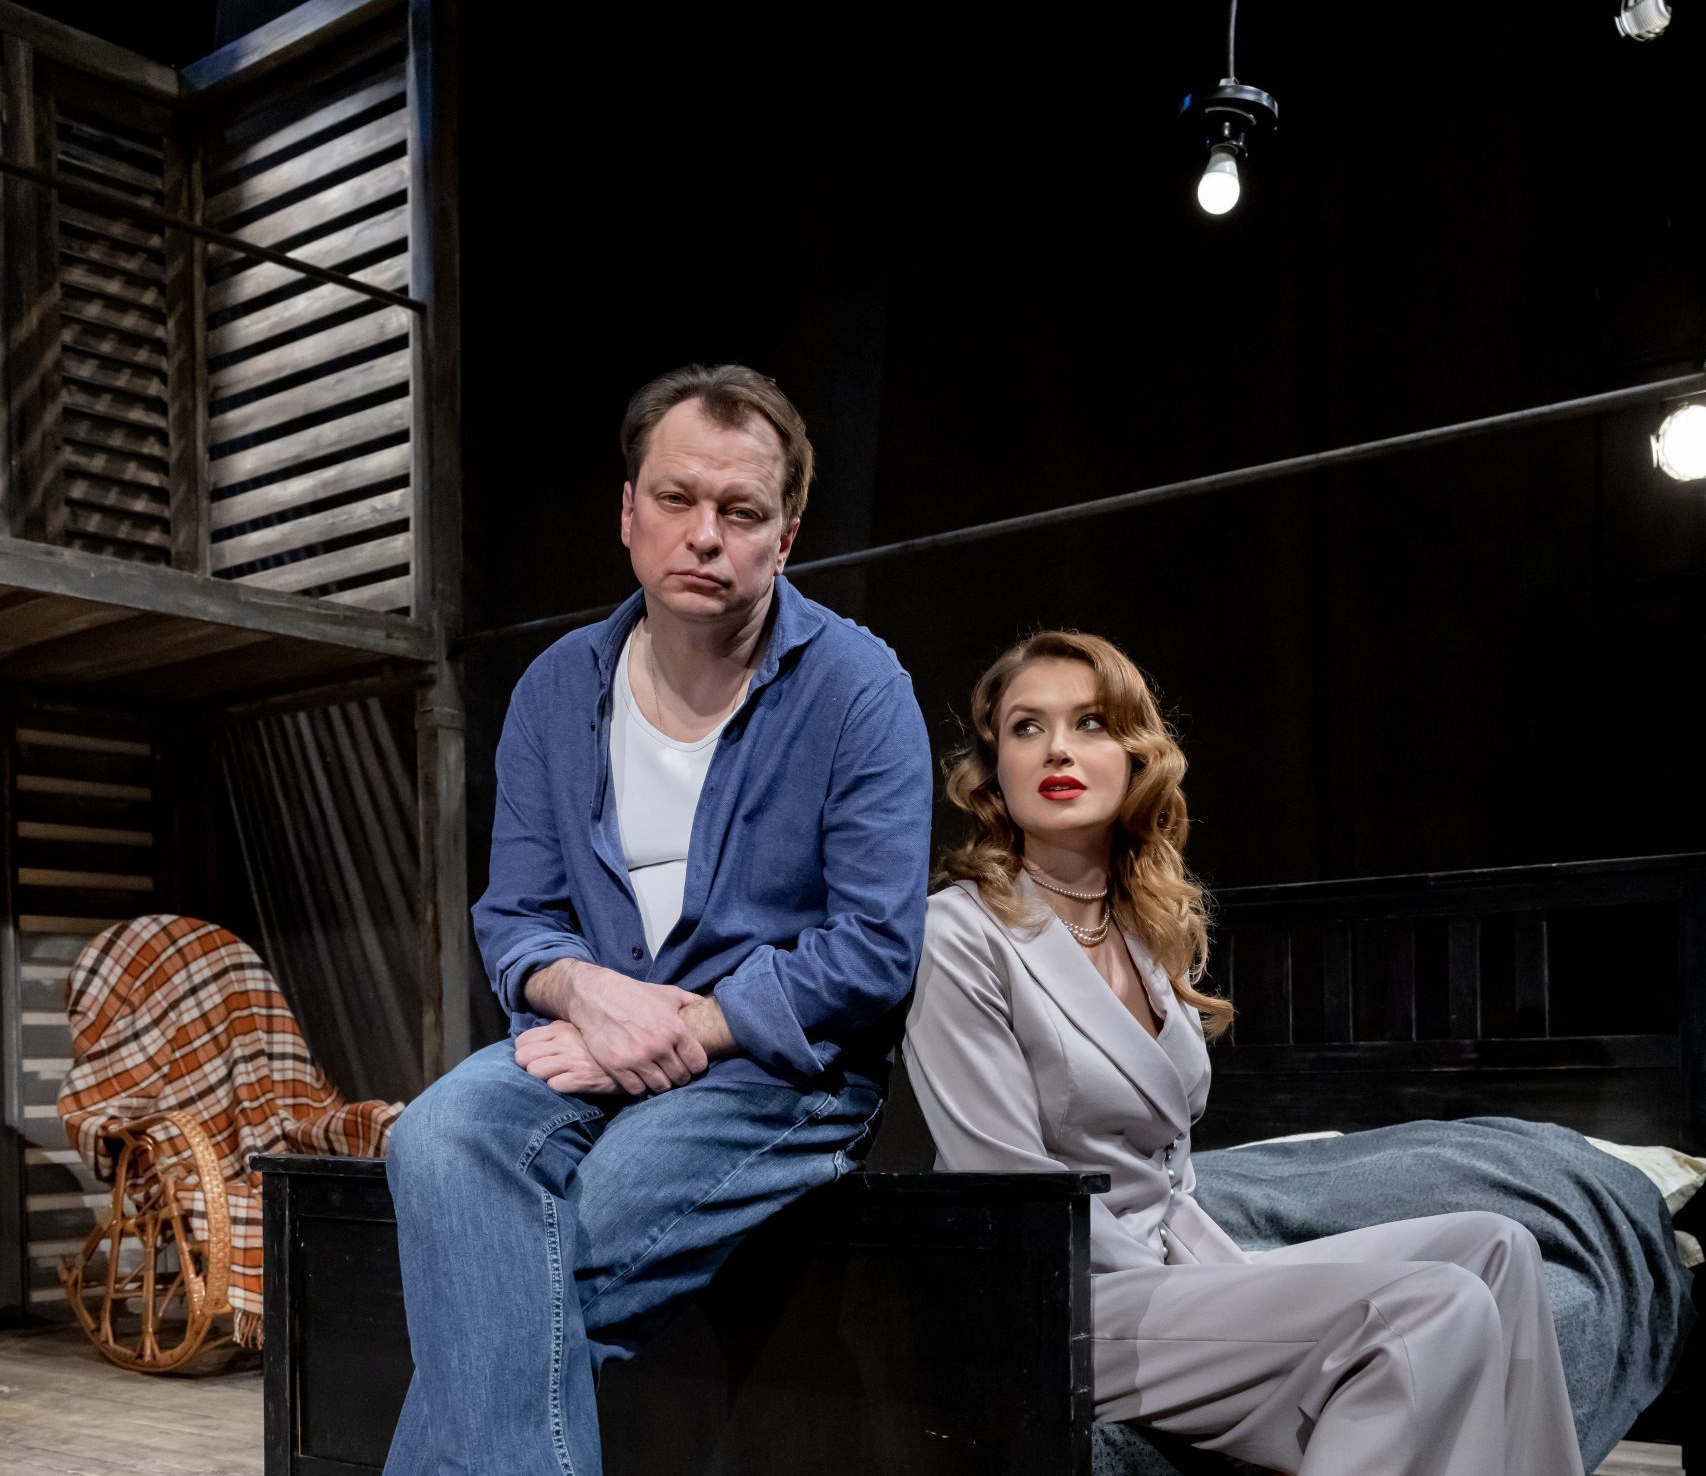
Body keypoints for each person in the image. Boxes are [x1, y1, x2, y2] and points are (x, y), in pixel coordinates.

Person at [383, 364, 932, 1476]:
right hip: (585, 1038)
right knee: (432, 1133)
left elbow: (876, 948)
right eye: (676, 499)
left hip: (774, 1068)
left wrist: (680, 1025)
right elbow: (518, 916)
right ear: (628, 511)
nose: (704, 534)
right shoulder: (555, 688)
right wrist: (590, 994)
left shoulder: (858, 685)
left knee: (539, 1274)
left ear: (785, 538)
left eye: (741, 511)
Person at [902, 630, 1584, 1476]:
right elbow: (1007, 1192)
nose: (1059, 750)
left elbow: (1172, 1178)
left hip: (1174, 1270)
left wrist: (1225, 1277)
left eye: (1091, 722)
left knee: (1498, 1246)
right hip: (1055, 1297)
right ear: (994, 768)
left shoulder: (1143, 925)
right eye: (1026, 727)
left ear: (1135, 755)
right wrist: (1225, 1292)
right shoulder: (957, 933)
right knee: (1429, 1305)